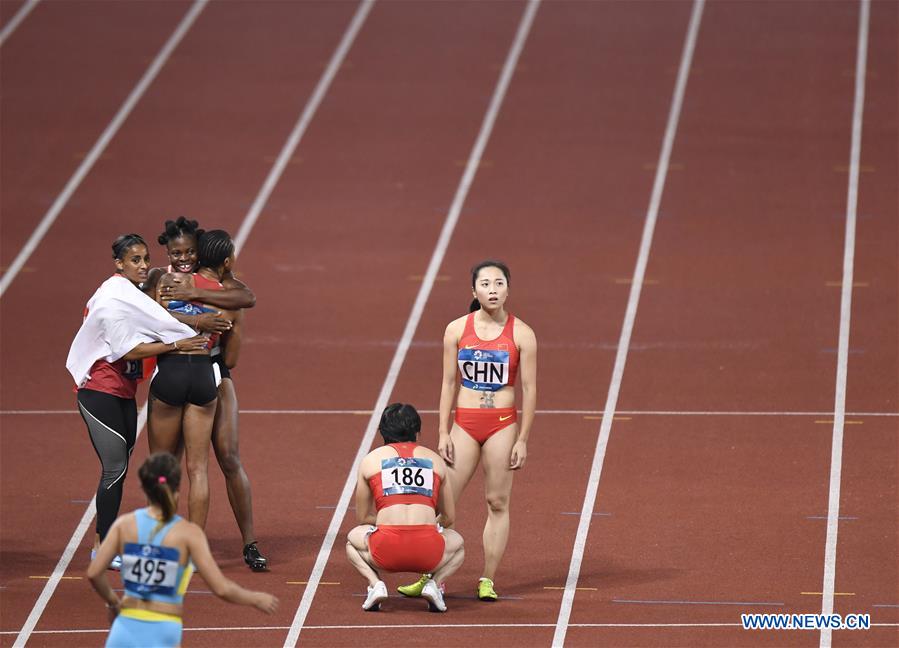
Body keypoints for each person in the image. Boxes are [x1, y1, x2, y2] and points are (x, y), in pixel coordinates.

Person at [66, 234, 207, 568]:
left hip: (124, 392)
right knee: (114, 469)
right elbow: (129, 350)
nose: (144, 266)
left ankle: (105, 544)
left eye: (146, 258)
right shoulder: (113, 299)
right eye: (135, 260)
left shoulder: (132, 294)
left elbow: (157, 320)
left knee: (121, 467)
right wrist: (178, 344)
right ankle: (101, 549)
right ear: (119, 264)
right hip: (98, 391)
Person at [399, 260, 536, 601]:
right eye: (486, 284)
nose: (492, 289)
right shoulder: (457, 330)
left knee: (497, 501)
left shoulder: (522, 334)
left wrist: (522, 439)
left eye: (499, 283)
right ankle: (430, 575)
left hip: (502, 425)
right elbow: (447, 383)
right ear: (473, 291)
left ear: (508, 289)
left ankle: (487, 579)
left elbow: (530, 391)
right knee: (442, 506)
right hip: (465, 423)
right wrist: (443, 432)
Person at [151, 221, 267, 570]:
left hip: (188, 372)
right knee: (221, 462)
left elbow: (247, 297)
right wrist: (204, 321)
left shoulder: (166, 280)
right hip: (211, 372)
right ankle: (240, 543)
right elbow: (231, 355)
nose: (184, 258)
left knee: (181, 464)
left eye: (189, 252)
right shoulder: (216, 288)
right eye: (179, 253)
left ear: (199, 253)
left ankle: (173, 545)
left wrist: (190, 298)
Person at [87, 452, 278, 647]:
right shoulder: (188, 534)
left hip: (124, 630)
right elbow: (221, 588)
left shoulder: (124, 525)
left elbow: (94, 572)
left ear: (144, 489)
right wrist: (255, 599)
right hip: (162, 631)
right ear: (177, 489)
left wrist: (113, 603)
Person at [347, 403, 464, 613]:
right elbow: (448, 517)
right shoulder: (435, 460)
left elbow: (363, 516)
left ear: (382, 431)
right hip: (428, 553)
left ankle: (375, 585)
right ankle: (434, 585)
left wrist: (388, 523)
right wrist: (428, 525)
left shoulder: (371, 460)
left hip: (385, 550)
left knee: (351, 541)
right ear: (417, 432)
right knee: (459, 545)